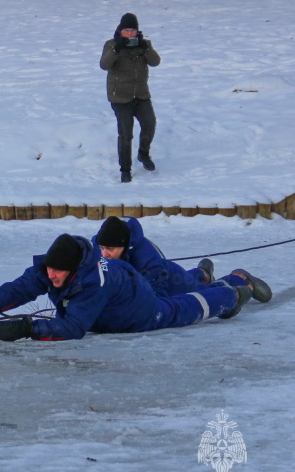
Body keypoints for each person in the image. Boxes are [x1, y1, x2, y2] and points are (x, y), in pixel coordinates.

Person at [0, 233, 258, 342]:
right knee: (186, 287)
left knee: (184, 308)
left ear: (74, 269)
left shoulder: (91, 284)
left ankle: (232, 294)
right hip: (124, 286)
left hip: (138, 310)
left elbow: (75, 326)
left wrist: (28, 329)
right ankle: (210, 277)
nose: (51, 275)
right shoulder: (56, 266)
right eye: (49, 269)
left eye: (58, 272)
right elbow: (25, 285)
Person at [94, 216, 273, 302]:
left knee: (200, 291)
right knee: (187, 279)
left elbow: (156, 299)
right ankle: (203, 273)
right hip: (165, 275)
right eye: (102, 248)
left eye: (110, 249)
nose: (104, 254)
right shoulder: (98, 246)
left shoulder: (147, 259)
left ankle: (238, 278)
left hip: (170, 281)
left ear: (125, 246)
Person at [100, 13, 161, 183]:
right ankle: (125, 169)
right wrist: (116, 50)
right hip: (120, 97)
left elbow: (155, 62)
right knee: (126, 134)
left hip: (141, 95)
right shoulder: (111, 44)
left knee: (150, 124)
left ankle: (143, 154)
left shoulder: (144, 44)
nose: (130, 34)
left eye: (133, 30)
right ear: (120, 30)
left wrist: (146, 48)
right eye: (126, 30)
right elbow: (104, 65)